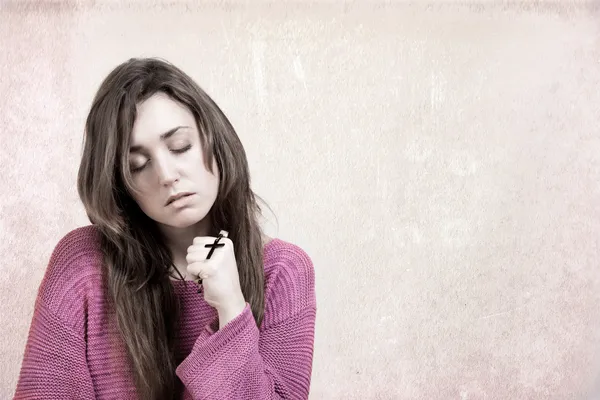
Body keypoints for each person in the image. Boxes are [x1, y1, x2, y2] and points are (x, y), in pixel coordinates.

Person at [13, 57, 317, 400]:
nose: (167, 175)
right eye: (138, 165)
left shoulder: (283, 271)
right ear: (119, 185)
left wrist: (231, 311)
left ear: (213, 138)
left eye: (180, 146)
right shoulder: (82, 265)